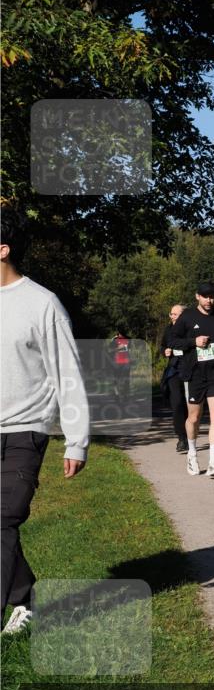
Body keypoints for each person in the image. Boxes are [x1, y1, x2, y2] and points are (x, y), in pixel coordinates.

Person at [0, 209, 89, 634]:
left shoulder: (42, 304)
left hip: (25, 430)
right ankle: (25, 597)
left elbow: (67, 374)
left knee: (3, 519)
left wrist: (76, 440)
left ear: (3, 250)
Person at [171, 281, 214, 479]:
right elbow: (172, 340)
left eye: (212, 296)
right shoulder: (187, 316)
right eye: (205, 296)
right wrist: (193, 342)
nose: (209, 300)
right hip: (195, 373)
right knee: (194, 418)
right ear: (197, 296)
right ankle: (192, 453)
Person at [160, 304, 188, 452]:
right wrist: (165, 351)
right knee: (176, 403)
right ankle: (181, 438)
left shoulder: (189, 329)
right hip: (174, 370)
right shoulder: (168, 329)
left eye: (175, 314)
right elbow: (162, 346)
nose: (172, 317)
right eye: (171, 314)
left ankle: (190, 435)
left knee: (190, 405)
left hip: (189, 369)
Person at [109, 328, 131, 401]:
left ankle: (125, 395)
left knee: (126, 379)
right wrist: (118, 348)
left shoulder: (128, 339)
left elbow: (130, 349)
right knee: (116, 379)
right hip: (117, 362)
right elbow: (110, 350)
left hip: (126, 362)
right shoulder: (114, 339)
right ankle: (116, 394)